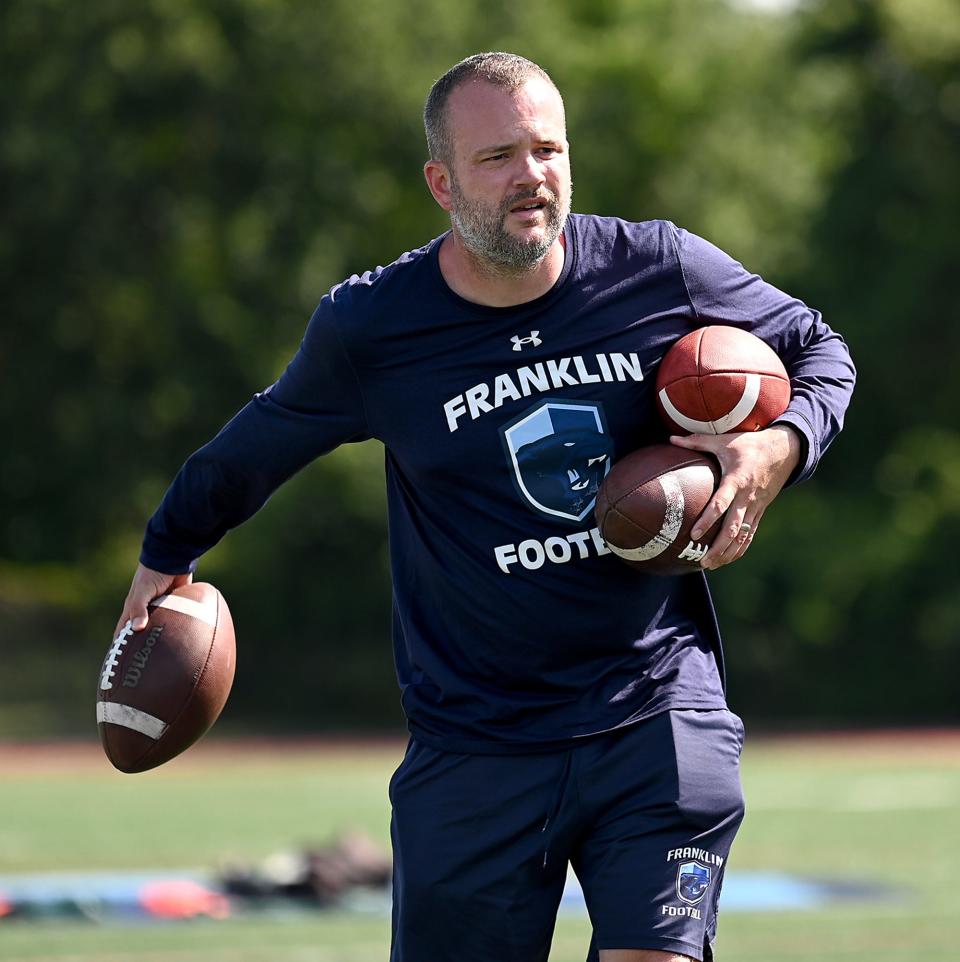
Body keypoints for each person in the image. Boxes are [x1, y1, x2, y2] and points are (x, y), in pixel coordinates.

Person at [116, 52, 855, 962]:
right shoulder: (372, 327)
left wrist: (779, 447)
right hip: (477, 742)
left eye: (548, 149)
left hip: (656, 709)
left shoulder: (659, 269)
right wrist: (165, 553)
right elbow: (252, 452)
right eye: (498, 156)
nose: (532, 176)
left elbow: (821, 350)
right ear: (441, 182)